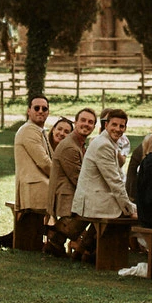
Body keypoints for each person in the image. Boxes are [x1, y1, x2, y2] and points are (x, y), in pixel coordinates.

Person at [72, 108, 137, 233]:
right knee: (127, 214)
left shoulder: (107, 141)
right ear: (106, 125)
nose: (118, 129)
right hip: (93, 201)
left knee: (129, 208)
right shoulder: (104, 145)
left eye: (121, 126)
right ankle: (90, 249)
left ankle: (85, 250)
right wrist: (130, 209)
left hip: (97, 198)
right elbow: (114, 181)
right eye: (114, 125)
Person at [4, 94, 55, 249]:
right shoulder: (29, 130)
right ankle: (61, 240)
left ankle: (59, 240)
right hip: (34, 186)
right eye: (36, 108)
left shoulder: (39, 130)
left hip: (40, 184)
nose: (41, 111)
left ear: (48, 112)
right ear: (29, 111)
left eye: (44, 108)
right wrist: (62, 178)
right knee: (71, 197)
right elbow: (44, 162)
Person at [52, 108, 97, 258]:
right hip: (66, 195)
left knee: (100, 206)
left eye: (90, 122)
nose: (86, 124)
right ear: (75, 122)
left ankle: (82, 248)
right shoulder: (70, 146)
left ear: (94, 127)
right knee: (99, 208)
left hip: (74, 192)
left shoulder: (79, 144)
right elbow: (78, 179)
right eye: (83, 120)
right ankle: (85, 249)